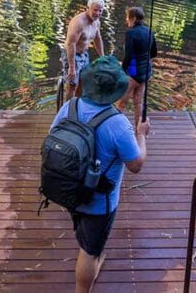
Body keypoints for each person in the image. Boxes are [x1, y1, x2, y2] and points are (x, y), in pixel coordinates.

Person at [50, 56, 150, 293]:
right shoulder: (118, 124)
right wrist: (142, 134)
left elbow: (53, 138)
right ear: (115, 90)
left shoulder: (69, 107)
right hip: (99, 203)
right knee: (89, 251)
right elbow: (136, 165)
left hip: (68, 189)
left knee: (84, 235)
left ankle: (92, 254)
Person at [122, 6, 157, 127]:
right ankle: (139, 129)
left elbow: (129, 56)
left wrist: (122, 71)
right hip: (146, 71)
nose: (126, 20)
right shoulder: (150, 31)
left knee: (121, 102)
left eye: (128, 17)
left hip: (134, 71)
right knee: (138, 102)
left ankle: (114, 129)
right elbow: (154, 53)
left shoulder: (130, 33)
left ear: (134, 18)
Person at [65, 0, 105, 99]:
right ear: (88, 8)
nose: (98, 13)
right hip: (72, 55)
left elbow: (97, 39)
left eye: (100, 11)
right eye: (95, 10)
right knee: (72, 84)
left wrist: (103, 57)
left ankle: (78, 106)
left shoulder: (96, 22)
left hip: (84, 54)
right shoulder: (78, 22)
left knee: (83, 82)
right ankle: (68, 110)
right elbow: (70, 44)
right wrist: (72, 67)